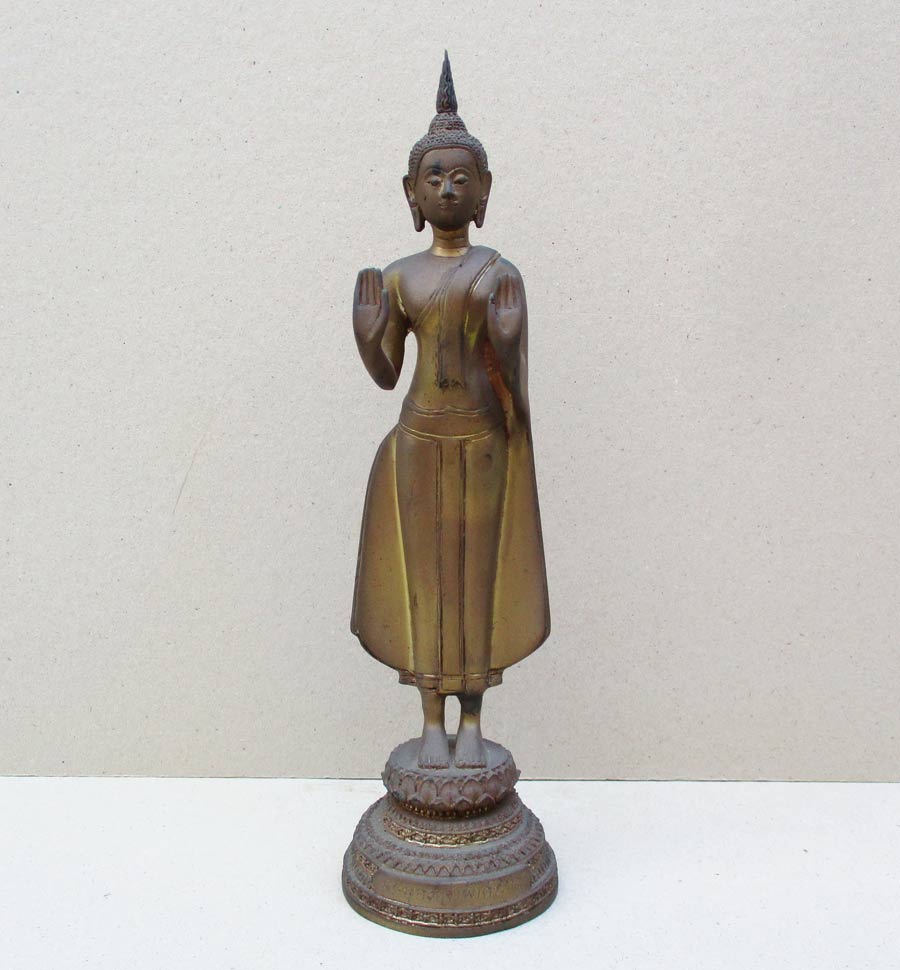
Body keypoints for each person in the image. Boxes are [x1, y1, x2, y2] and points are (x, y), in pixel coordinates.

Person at [351, 53, 550, 770]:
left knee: (477, 581)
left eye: (461, 178)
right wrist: (367, 334)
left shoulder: (499, 274)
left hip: (483, 441)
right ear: (411, 192)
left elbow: (512, 386)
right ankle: (430, 717)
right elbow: (386, 376)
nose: (446, 188)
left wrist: (507, 341)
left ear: (484, 191)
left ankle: (473, 720)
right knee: (427, 582)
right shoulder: (398, 278)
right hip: (418, 441)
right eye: (433, 177)